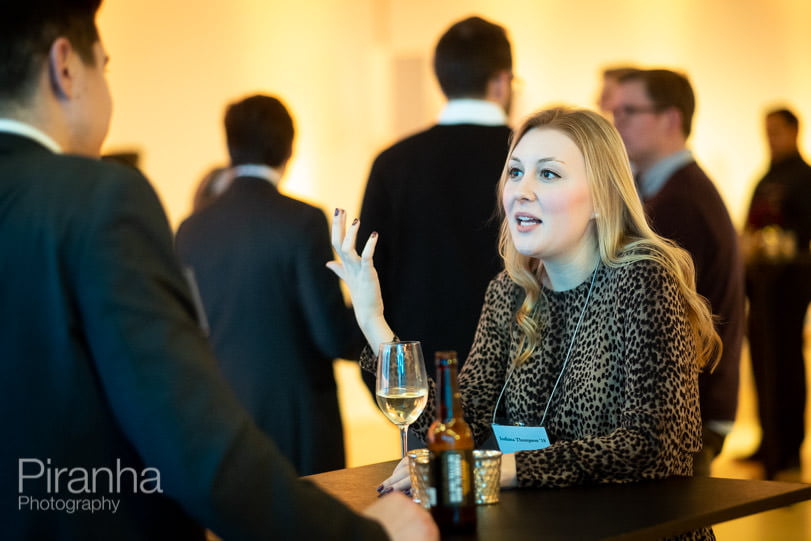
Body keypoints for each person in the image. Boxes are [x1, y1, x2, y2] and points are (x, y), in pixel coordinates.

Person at [0, 2, 437, 539]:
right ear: (65, 67)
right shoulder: (102, 200)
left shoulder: (192, 224)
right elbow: (185, 433)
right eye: (105, 66)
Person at [329, 107, 720, 541]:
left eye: (548, 175)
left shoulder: (643, 279)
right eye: (515, 173)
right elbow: (463, 427)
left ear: (602, 197)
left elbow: (653, 447)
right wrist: (373, 321)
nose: (522, 191)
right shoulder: (510, 290)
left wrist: (499, 467)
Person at [176, 94, 362, 475]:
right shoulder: (303, 221)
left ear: (230, 146)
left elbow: (188, 329)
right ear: (289, 147)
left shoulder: (191, 229)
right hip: (299, 418)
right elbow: (330, 335)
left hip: (222, 414)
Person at [356, 15, 514, 391]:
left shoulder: (393, 163)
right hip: (523, 381)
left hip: (421, 379)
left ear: (441, 79)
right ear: (503, 80)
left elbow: (371, 271)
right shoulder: (532, 158)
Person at [610, 69, 745, 476]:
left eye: (630, 111)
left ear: (671, 118)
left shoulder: (679, 202)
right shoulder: (666, 190)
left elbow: (660, 318)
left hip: (686, 410)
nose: (617, 123)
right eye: (614, 111)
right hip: (688, 404)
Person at [742, 107, 811, 478]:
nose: (770, 139)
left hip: (790, 284)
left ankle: (790, 447)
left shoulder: (804, 177)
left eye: (776, 132)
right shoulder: (766, 176)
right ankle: (768, 438)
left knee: (786, 362)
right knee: (763, 361)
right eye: (766, 131)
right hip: (762, 286)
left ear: (794, 131)